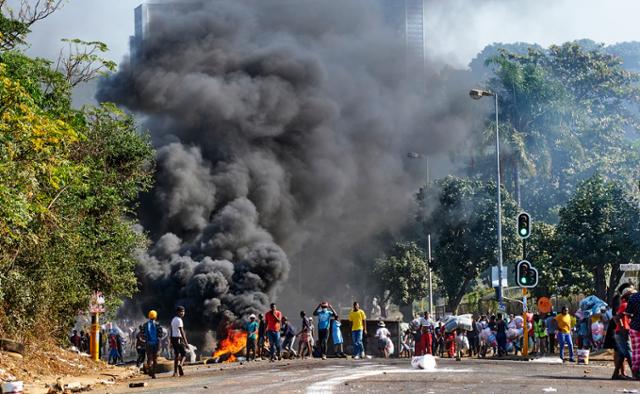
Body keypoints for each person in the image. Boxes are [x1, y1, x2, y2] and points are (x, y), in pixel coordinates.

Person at [612, 286, 635, 379]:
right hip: (622, 332)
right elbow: (617, 317)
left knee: (622, 353)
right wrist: (622, 328)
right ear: (628, 296)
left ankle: (615, 375)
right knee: (629, 352)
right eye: (632, 295)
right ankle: (635, 373)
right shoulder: (625, 305)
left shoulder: (625, 304)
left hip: (621, 332)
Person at [625, 285, 640, 378]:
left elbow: (627, 313)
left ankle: (636, 372)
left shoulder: (633, 297)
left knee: (636, 351)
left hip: (635, 327)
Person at [170, 306, 189, 377]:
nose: (183, 313)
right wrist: (186, 343)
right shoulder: (179, 320)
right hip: (179, 339)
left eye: (183, 311)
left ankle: (175, 372)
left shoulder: (173, 319)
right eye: (181, 311)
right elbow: (182, 331)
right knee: (184, 354)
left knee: (176, 355)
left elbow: (171, 330)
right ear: (178, 312)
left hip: (173, 339)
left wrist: (171, 341)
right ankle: (180, 365)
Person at [144, 310, 162, 378]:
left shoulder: (145, 325)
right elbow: (160, 335)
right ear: (155, 316)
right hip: (156, 344)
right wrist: (159, 344)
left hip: (148, 344)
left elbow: (143, 334)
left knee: (149, 358)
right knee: (155, 359)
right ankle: (153, 373)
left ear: (149, 316)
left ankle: (150, 369)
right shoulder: (157, 325)